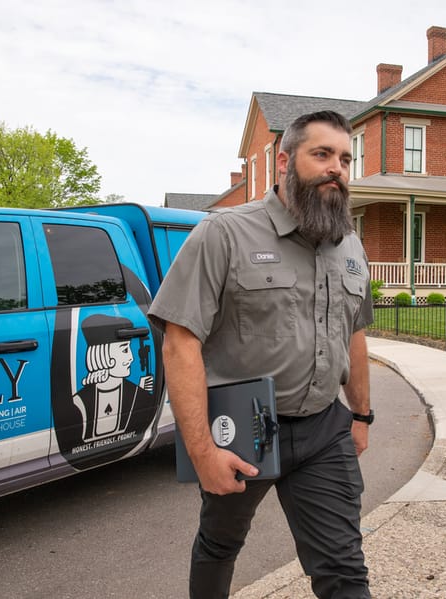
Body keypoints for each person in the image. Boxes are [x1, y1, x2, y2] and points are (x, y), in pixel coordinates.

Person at [149, 110, 373, 599]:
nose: (336, 167)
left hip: (323, 430)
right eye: (322, 154)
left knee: (344, 567)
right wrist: (202, 452)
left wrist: (362, 414)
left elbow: (354, 332)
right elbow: (180, 340)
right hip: (246, 426)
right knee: (220, 543)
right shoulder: (224, 233)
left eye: (345, 158)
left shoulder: (350, 244)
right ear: (285, 162)